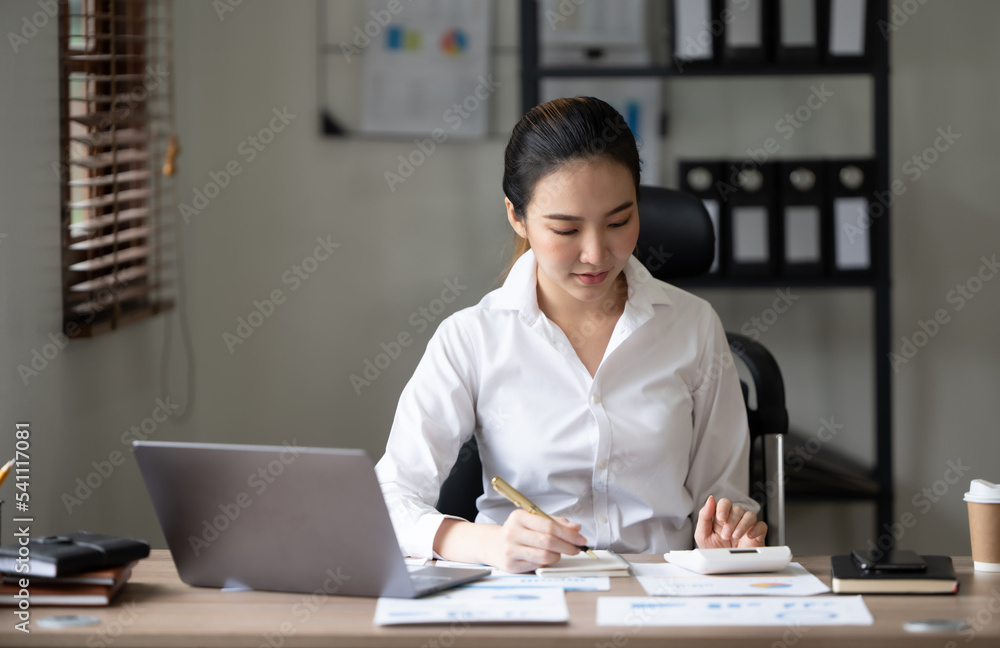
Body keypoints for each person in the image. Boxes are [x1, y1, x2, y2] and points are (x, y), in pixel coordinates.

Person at [376, 96, 766, 573]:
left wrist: (727, 533)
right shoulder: (472, 338)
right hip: (525, 598)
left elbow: (725, 498)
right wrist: (487, 544)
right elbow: (389, 500)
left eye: (619, 222)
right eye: (565, 229)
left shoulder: (693, 327)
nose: (596, 253)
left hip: (663, 595)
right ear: (517, 217)